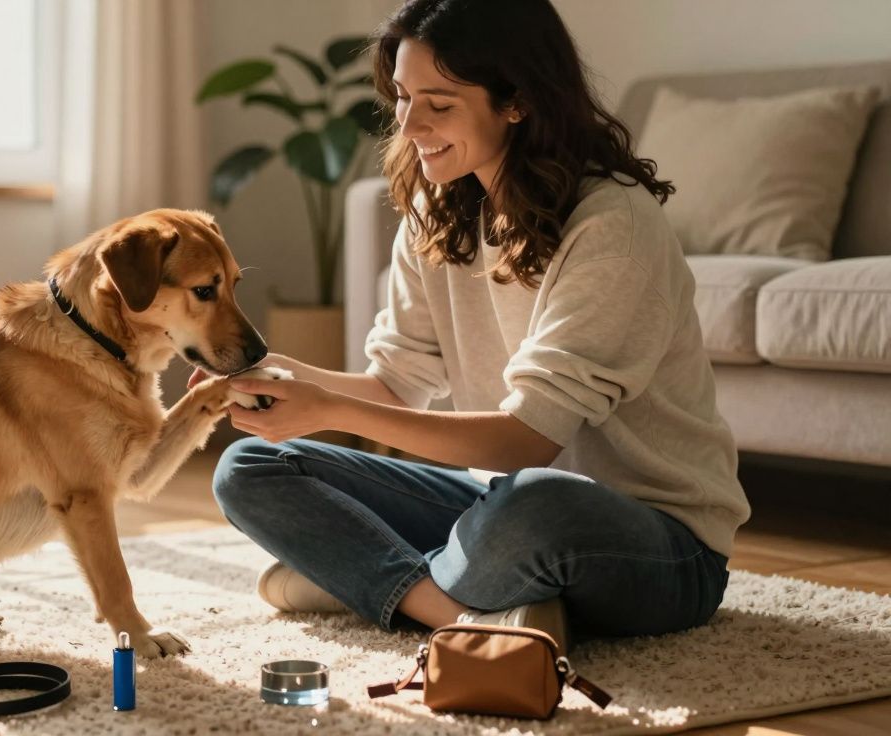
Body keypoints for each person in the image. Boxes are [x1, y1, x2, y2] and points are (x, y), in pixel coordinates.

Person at [197, 0, 750, 651]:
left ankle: (375, 580)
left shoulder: (611, 226)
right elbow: (397, 384)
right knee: (251, 467)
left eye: (439, 102)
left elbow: (527, 443)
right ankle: (458, 611)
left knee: (536, 503)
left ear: (515, 101)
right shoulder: (436, 211)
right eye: (402, 97)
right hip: (494, 506)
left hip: (659, 547)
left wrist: (324, 410)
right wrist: (271, 378)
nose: (409, 123)